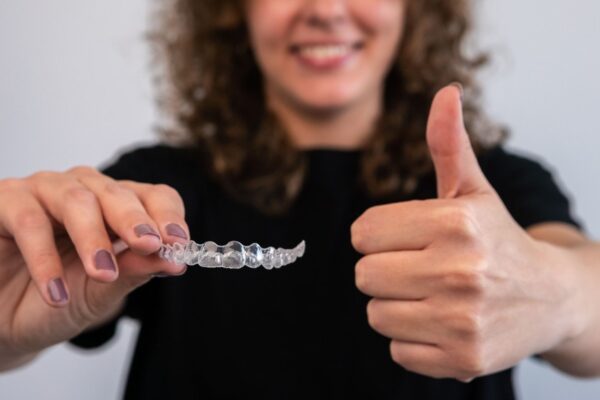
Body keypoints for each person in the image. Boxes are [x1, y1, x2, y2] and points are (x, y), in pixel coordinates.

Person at [0, 0, 599, 399]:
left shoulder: (500, 186)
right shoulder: (149, 188)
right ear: (236, 13)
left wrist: (557, 292)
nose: (325, 10)